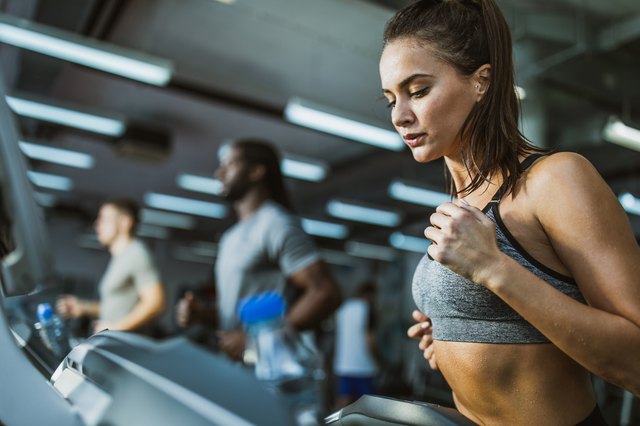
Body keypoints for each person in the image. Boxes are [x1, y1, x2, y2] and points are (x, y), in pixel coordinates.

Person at [379, 1, 640, 424]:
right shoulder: (462, 201)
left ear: (481, 82)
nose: (399, 116)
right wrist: (449, 341)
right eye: (390, 99)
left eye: (419, 91)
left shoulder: (555, 180)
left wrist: (493, 270)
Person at [176, 139, 342, 360]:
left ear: (256, 171)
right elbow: (239, 313)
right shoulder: (230, 237)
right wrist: (203, 314)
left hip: (271, 372)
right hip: (237, 371)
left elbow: (325, 293)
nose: (219, 173)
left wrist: (258, 340)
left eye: (230, 164)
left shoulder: (276, 224)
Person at [57, 198, 166, 336]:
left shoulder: (137, 254)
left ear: (125, 222)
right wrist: (82, 307)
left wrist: (116, 328)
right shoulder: (120, 257)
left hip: (126, 346)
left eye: (104, 219)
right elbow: (114, 306)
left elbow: (156, 303)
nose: (97, 224)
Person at [332, 280, 379, 409]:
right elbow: (369, 339)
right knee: (369, 405)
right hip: (363, 366)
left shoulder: (343, 308)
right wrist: (380, 361)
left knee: (343, 401)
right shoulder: (368, 308)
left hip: (344, 364)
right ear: (369, 294)